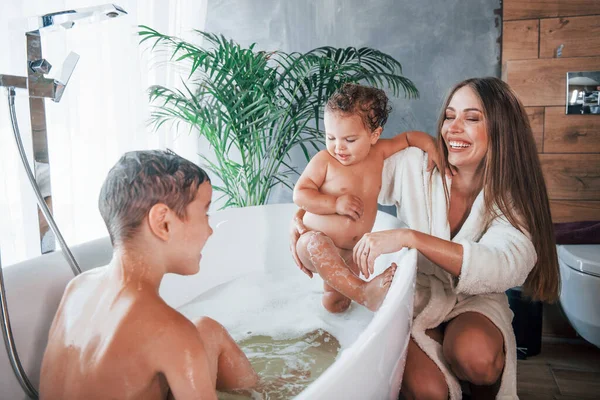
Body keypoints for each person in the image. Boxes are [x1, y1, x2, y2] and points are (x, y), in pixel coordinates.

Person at [290, 77, 560, 399]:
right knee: (426, 392)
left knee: (475, 358)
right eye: (449, 116)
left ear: (503, 129)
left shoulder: (511, 196)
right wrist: (300, 219)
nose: (453, 128)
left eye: (471, 118)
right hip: (420, 298)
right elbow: (344, 181)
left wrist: (410, 237)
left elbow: (505, 266)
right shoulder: (416, 166)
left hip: (476, 300)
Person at [40, 150, 258, 400]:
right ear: (163, 222)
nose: (210, 230)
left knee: (207, 330)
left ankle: (265, 392)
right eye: (205, 213)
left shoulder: (77, 287)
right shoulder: (171, 331)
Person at [292, 83, 440, 313]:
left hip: (352, 253)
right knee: (318, 244)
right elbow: (300, 194)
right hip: (313, 242)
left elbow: (409, 138)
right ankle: (364, 292)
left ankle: (334, 319)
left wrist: (432, 146)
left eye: (349, 140)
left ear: (374, 135)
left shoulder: (379, 152)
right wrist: (335, 203)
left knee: (337, 304)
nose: (338, 147)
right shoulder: (324, 161)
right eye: (330, 137)